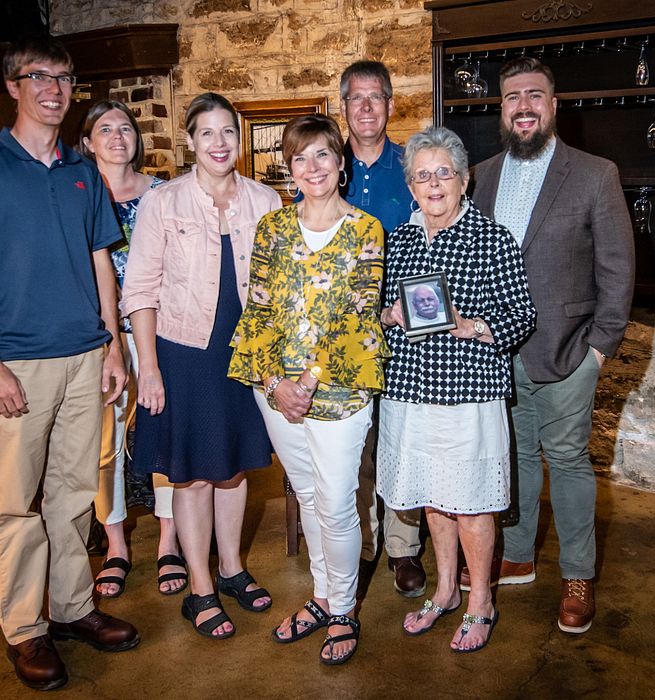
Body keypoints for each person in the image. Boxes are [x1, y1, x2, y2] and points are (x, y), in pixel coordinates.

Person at [468, 57, 635, 634]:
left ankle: (578, 573)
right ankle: (516, 554)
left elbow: (618, 267)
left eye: (534, 95)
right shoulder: (481, 175)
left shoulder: (594, 173)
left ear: (553, 105)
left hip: (568, 352)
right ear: (502, 107)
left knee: (565, 461)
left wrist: (600, 350)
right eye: (512, 97)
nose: (523, 106)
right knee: (512, 458)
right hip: (494, 352)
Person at [0, 35, 139, 691]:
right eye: (39, 77)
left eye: (64, 78)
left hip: (86, 357)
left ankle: (73, 608)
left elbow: (100, 261)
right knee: (12, 507)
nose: (54, 89)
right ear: (12, 86)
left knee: (73, 494)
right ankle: (25, 628)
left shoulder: (83, 172)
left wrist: (112, 345)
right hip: (16, 361)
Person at [228, 114, 390, 665]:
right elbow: (261, 309)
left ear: (341, 164)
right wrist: (275, 384)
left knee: (338, 502)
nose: (312, 167)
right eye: (301, 158)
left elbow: (357, 313)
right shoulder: (272, 227)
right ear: (289, 168)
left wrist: (307, 381)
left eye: (323, 154)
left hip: (339, 390)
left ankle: (343, 608)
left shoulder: (367, 230)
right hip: (276, 391)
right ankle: (322, 597)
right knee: (309, 494)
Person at [121, 92, 279, 640]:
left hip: (245, 353)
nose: (219, 143)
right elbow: (138, 290)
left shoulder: (265, 200)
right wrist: (149, 369)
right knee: (192, 476)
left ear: (239, 139)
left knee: (233, 468)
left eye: (228, 133)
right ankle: (199, 587)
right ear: (189, 140)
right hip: (185, 354)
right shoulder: (163, 203)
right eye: (207, 133)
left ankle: (232, 569)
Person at [377, 126, 536, 653]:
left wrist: (473, 326)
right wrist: (389, 314)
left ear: (464, 180)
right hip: (409, 389)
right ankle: (444, 591)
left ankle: (480, 602)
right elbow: (374, 310)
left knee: (470, 505)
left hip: (467, 392)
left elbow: (522, 316)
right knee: (433, 500)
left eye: (444, 172)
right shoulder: (397, 239)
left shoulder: (492, 238)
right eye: (422, 175)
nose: (434, 183)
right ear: (411, 186)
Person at [78, 100, 187, 599]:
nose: (118, 136)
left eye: (125, 127)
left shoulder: (161, 193)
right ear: (87, 142)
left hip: (158, 328)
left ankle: (169, 540)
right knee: (104, 442)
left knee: (162, 428)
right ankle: (117, 545)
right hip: (99, 335)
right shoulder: (76, 195)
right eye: (106, 129)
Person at [339, 59, 425, 597]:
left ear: (391, 106)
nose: (367, 107)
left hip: (407, 325)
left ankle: (403, 547)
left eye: (377, 97)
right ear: (343, 107)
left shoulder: (414, 165)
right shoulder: (326, 163)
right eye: (356, 98)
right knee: (356, 441)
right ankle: (361, 544)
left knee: (402, 436)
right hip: (345, 329)